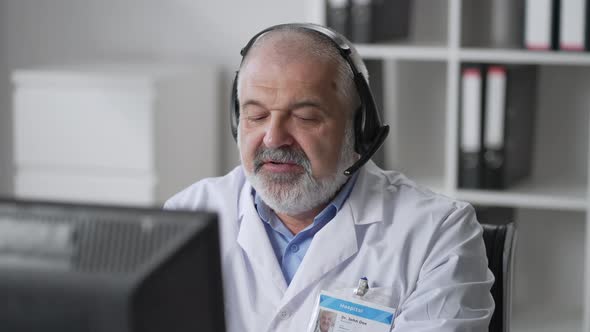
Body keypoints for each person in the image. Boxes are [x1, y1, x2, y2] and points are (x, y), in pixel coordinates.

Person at [165, 23, 494, 331]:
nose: (273, 138)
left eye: (306, 117)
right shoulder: (185, 216)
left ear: (359, 131)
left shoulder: (439, 234)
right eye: (257, 115)